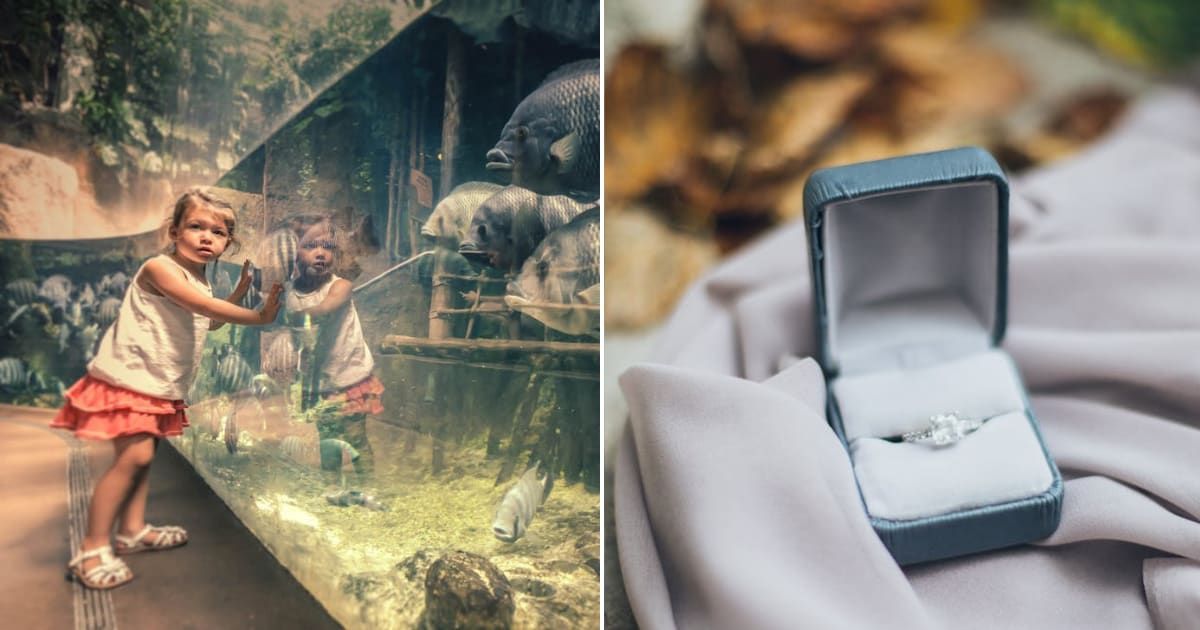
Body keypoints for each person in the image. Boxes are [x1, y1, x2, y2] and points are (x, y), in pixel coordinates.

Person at [51, 188, 283, 590]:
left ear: (228, 243)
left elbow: (208, 321)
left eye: (218, 232)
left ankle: (133, 530)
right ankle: (90, 551)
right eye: (196, 226)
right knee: (135, 457)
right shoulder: (159, 268)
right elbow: (206, 310)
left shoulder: (201, 284)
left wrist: (239, 293)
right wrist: (258, 315)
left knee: (145, 457)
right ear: (174, 231)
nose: (207, 237)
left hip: (160, 385)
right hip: (131, 379)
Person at [284, 217, 383, 481]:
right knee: (327, 439)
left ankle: (367, 487)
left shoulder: (340, 286)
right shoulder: (290, 292)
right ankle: (330, 488)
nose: (320, 253)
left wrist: (288, 317)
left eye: (327, 247)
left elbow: (322, 310)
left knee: (355, 437)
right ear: (294, 253)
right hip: (320, 382)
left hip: (351, 377)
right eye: (310, 246)